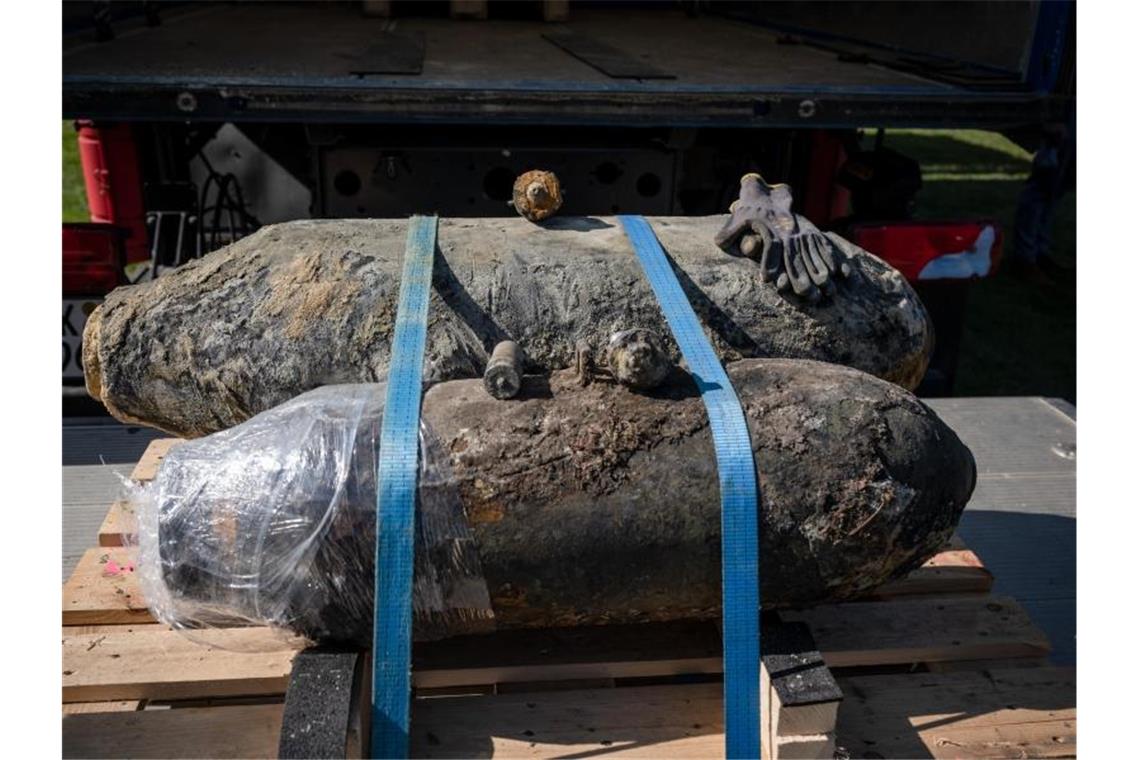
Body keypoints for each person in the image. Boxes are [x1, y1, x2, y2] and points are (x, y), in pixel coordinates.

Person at [1009, 113, 1075, 283]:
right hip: (1064, 111)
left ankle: (1039, 252)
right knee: (1043, 185)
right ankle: (1025, 257)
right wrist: (1054, 118)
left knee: (1058, 186)